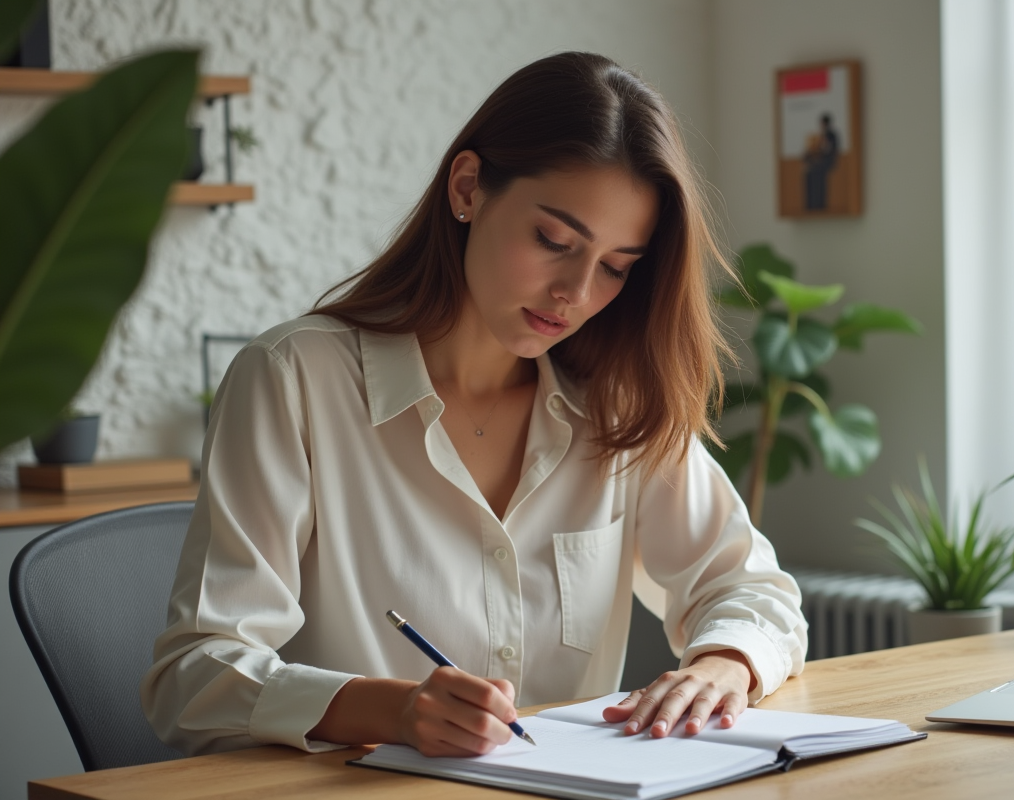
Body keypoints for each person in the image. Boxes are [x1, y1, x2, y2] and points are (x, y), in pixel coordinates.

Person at [141, 51, 807, 759]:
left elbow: (751, 589)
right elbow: (195, 675)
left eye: (616, 267)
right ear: (468, 188)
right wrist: (387, 710)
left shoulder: (614, 403)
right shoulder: (293, 381)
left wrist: (720, 667)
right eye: (554, 240)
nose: (577, 293)